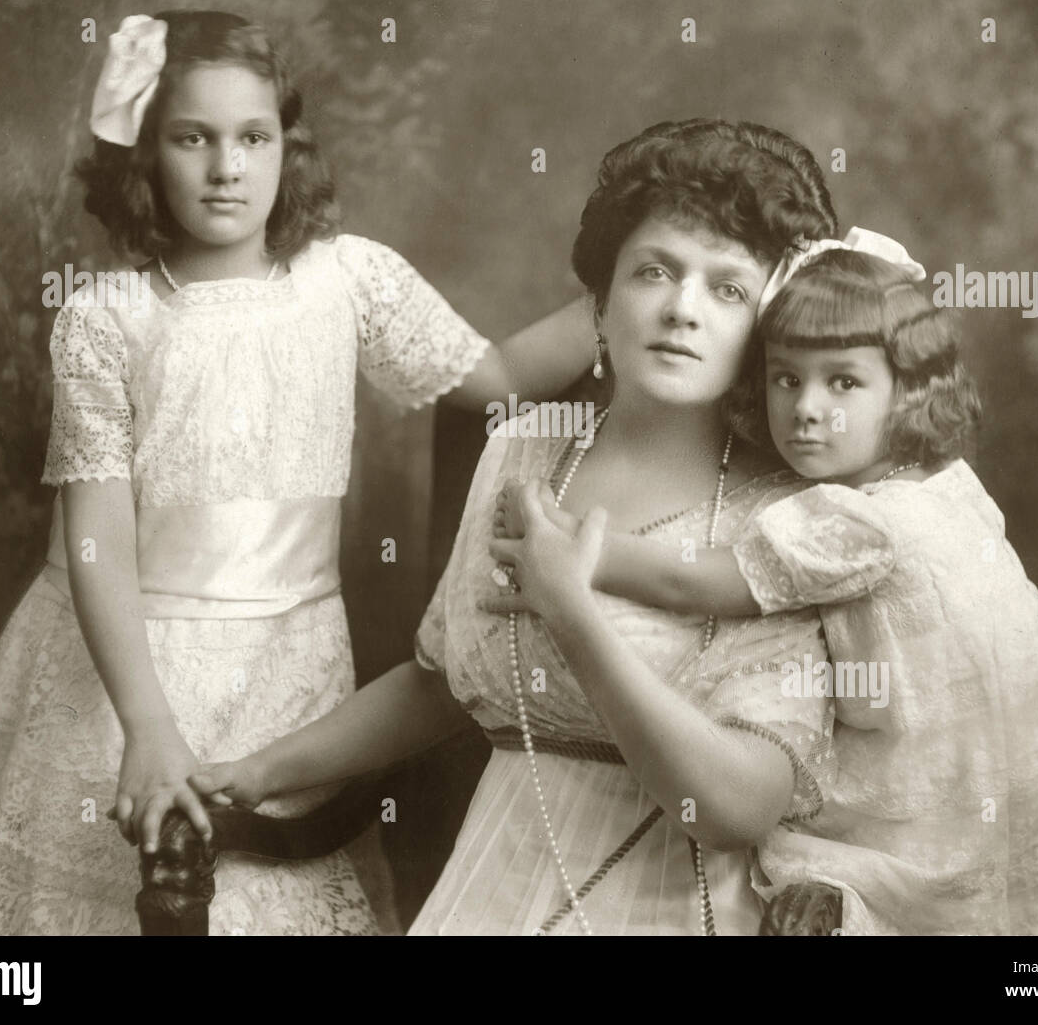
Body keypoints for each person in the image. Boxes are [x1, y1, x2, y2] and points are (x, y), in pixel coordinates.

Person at [0, 10, 591, 936]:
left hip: (288, 661)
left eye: (252, 137)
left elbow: (495, 379)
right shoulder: (108, 317)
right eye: (193, 138)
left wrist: (622, 293)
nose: (227, 167)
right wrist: (145, 724)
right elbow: (94, 535)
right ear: (146, 157)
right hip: (121, 667)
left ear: (285, 149)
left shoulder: (348, 279)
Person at [192, 118, 841, 934]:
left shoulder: (789, 513)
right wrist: (262, 770)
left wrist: (571, 610)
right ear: (601, 303)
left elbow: (737, 807)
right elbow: (443, 683)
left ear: (766, 328)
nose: (682, 309)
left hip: (674, 904)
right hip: (489, 890)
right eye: (655, 271)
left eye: (728, 288)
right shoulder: (524, 449)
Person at [492, 232, 1038, 934]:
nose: (807, 409)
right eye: (786, 379)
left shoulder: (854, 522)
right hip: (1013, 767)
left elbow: (690, 583)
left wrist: (577, 549)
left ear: (909, 388)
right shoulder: (951, 485)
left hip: (934, 784)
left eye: (843, 382)